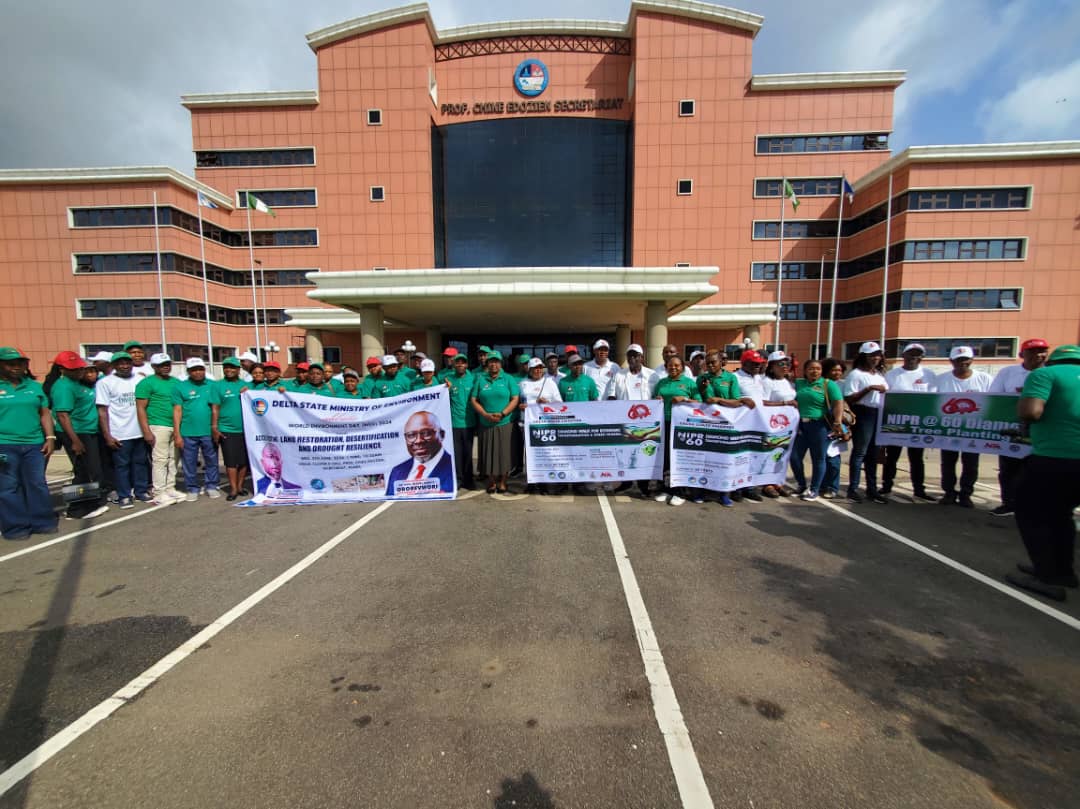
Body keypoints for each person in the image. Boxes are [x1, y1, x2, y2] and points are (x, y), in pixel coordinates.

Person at [1007, 344, 1080, 601]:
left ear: (1052, 360)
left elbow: (1031, 411)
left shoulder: (1044, 375)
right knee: (1061, 514)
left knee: (1030, 511)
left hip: (1057, 456)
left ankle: (1045, 575)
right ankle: (1063, 571)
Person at [0, 346, 57, 539]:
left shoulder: (34, 386)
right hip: (4, 444)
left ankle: (42, 522)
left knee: (37, 484)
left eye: (20, 363)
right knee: (8, 487)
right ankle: (16, 527)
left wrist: (50, 437)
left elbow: (44, 413)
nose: (16, 367)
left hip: (34, 443)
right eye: (10, 363)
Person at [988, 337, 1049, 517]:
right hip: (1011, 430)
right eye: (1033, 351)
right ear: (1022, 354)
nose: (1039, 355)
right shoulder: (1008, 372)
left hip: (1040, 432)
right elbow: (995, 398)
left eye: (1042, 351)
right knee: (1008, 471)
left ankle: (1035, 506)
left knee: (1037, 471)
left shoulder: (1050, 374)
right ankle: (1009, 503)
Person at [51, 351, 110, 520]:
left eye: (79, 368)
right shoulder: (63, 386)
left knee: (92, 470)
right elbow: (62, 415)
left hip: (89, 431)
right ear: (62, 369)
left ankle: (89, 504)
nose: (78, 371)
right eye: (73, 369)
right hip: (76, 433)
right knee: (82, 471)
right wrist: (75, 441)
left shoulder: (79, 383)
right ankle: (75, 509)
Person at [935, 346, 993, 507]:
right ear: (951, 361)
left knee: (971, 464)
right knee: (947, 463)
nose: (963, 363)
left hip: (973, 431)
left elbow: (994, 402)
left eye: (966, 360)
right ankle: (949, 493)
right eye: (959, 360)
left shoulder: (985, 379)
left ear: (972, 360)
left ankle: (966, 494)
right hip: (948, 430)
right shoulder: (941, 379)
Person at [881, 343, 937, 500]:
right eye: (910, 354)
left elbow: (932, 399)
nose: (913, 357)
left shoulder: (929, 374)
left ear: (922, 357)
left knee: (917, 459)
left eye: (917, 354)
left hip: (918, 425)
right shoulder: (892, 375)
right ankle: (886, 487)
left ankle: (919, 489)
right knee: (891, 457)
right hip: (896, 423)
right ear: (903, 356)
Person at [95, 351, 150, 508]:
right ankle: (124, 495)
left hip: (140, 431)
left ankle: (141, 491)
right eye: (120, 363)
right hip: (120, 433)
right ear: (113, 366)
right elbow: (102, 411)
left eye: (127, 362)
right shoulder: (105, 383)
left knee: (140, 463)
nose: (124, 366)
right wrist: (107, 435)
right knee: (122, 466)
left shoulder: (140, 380)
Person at [696, 350, 748, 507]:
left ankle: (724, 493)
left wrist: (718, 400)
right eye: (708, 363)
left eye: (714, 362)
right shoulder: (701, 378)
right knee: (704, 459)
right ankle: (701, 490)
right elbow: (696, 400)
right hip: (706, 425)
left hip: (726, 425)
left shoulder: (731, 378)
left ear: (721, 362)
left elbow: (736, 401)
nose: (711, 365)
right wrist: (704, 390)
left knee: (723, 459)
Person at [790, 360, 844, 502]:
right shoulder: (799, 383)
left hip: (819, 426)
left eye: (818, 369)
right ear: (805, 370)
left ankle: (814, 490)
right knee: (794, 457)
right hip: (801, 425)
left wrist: (838, 421)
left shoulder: (828, 384)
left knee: (818, 458)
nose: (814, 371)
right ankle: (801, 485)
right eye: (811, 369)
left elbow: (838, 402)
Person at [843, 342, 889, 504]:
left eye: (877, 355)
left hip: (879, 412)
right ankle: (853, 488)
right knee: (860, 452)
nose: (875, 358)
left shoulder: (879, 374)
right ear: (863, 356)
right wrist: (868, 389)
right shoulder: (855, 374)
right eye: (871, 355)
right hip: (864, 413)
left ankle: (872, 488)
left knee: (873, 454)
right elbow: (849, 398)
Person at [653, 355, 700, 506]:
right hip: (664, 423)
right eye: (670, 365)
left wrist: (684, 399)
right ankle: (667, 489)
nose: (673, 368)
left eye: (677, 365)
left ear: (682, 367)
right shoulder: (662, 382)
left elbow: (699, 402)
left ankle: (680, 492)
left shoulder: (689, 383)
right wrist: (657, 399)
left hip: (682, 424)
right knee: (665, 457)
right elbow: (653, 399)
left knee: (679, 457)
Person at [470, 352, 519, 494]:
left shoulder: (508, 379)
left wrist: (503, 413)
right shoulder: (481, 379)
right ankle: (491, 481)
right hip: (485, 423)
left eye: (496, 361)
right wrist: (485, 414)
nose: (493, 364)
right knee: (487, 453)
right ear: (487, 364)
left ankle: (503, 481)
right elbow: (474, 400)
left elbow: (515, 399)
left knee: (504, 453)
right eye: (491, 361)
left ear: (501, 363)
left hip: (504, 422)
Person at [136, 353, 182, 505]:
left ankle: (170, 488)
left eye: (168, 363)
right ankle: (159, 491)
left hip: (175, 425)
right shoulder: (146, 383)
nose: (166, 367)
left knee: (173, 458)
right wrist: (146, 431)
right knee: (160, 460)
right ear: (154, 366)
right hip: (158, 425)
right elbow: (141, 408)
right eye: (162, 364)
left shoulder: (176, 382)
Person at [172, 357, 220, 501]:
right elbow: (177, 410)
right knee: (189, 462)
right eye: (194, 370)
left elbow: (216, 407)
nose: (198, 372)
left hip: (208, 431)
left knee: (211, 460)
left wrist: (215, 428)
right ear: (188, 371)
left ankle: (211, 486)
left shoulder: (213, 385)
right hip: (188, 431)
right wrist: (177, 433)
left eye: (200, 369)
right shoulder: (180, 387)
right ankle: (192, 488)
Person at [518, 357, 564, 494]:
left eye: (540, 368)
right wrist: (521, 406)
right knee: (530, 455)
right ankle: (532, 483)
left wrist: (547, 403)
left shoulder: (550, 383)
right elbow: (518, 402)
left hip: (545, 424)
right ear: (529, 370)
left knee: (545, 454)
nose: (538, 370)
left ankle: (544, 483)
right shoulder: (522, 383)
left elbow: (560, 404)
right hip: (527, 424)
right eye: (535, 368)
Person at [385, 411, 455, 496]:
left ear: (441, 435)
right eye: (411, 435)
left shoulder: (453, 467)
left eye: (426, 433)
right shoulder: (397, 471)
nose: (418, 441)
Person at [210, 357, 249, 501]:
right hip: (227, 429)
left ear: (238, 370)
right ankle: (232, 489)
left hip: (246, 429)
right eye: (226, 367)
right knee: (231, 461)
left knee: (243, 461)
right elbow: (215, 407)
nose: (229, 370)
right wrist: (214, 427)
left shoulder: (246, 385)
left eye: (232, 367)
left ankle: (240, 486)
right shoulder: (217, 386)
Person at [760, 350, 798, 497]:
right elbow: (763, 402)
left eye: (786, 363)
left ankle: (778, 481)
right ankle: (767, 483)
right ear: (771, 366)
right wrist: (784, 403)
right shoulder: (767, 382)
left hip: (788, 424)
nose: (785, 366)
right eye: (781, 364)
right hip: (772, 424)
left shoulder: (787, 382)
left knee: (782, 453)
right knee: (770, 452)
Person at [733, 349, 767, 502]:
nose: (757, 366)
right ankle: (736, 487)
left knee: (753, 455)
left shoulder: (759, 378)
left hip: (758, 424)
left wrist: (785, 404)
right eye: (754, 364)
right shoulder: (735, 377)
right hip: (741, 424)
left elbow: (763, 400)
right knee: (739, 456)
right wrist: (742, 401)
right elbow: (731, 398)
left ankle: (750, 487)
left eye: (759, 364)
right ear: (744, 363)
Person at [446, 354, 477, 490]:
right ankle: (458, 479)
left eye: (463, 363)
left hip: (470, 422)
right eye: (457, 363)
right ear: (454, 364)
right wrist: (445, 389)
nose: (460, 365)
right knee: (457, 453)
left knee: (468, 453)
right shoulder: (447, 379)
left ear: (466, 365)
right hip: (454, 423)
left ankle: (469, 479)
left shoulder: (474, 379)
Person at [819, 358, 847, 499]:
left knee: (833, 458)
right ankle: (822, 485)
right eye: (834, 370)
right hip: (823, 423)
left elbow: (845, 407)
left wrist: (842, 425)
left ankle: (832, 487)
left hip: (837, 425)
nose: (838, 373)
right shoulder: (821, 384)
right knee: (822, 457)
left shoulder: (842, 385)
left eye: (840, 370)